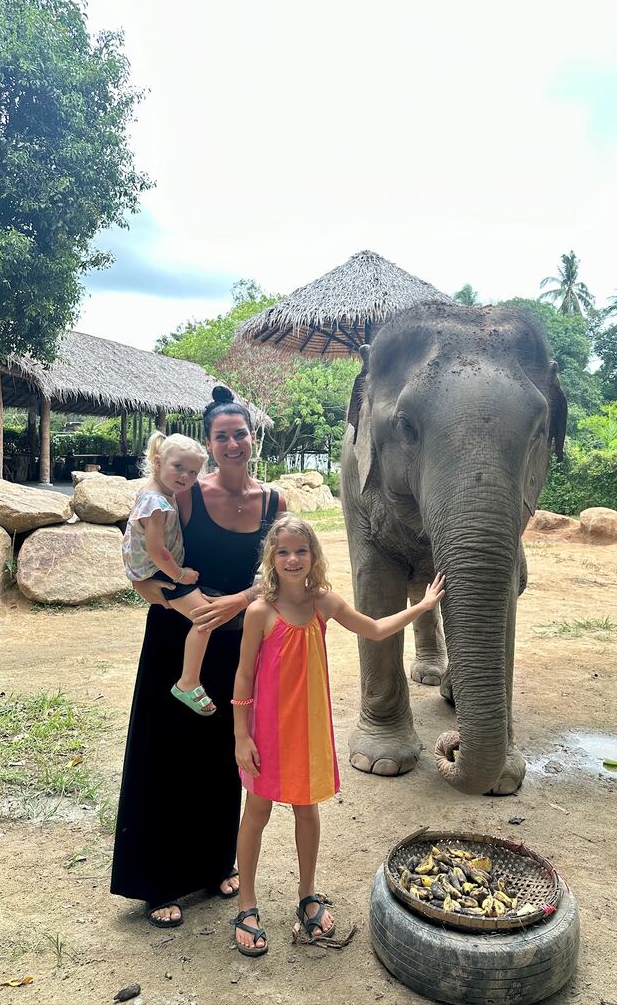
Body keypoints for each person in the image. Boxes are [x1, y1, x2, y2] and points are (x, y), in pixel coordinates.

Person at [111, 386, 286, 928]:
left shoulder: (275, 502)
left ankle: (216, 865)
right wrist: (178, 603)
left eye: (240, 433)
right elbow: (144, 561)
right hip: (178, 641)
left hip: (239, 645)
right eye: (222, 436)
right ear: (210, 444)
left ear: (252, 439)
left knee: (224, 759)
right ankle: (159, 881)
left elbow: (281, 574)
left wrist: (233, 602)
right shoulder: (184, 494)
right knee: (167, 755)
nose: (232, 443)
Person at [230, 514, 445, 956]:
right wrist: (240, 736)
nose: (293, 559)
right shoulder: (259, 612)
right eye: (284, 551)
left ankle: (307, 894)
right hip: (266, 733)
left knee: (307, 811)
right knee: (257, 811)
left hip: (309, 731)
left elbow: (376, 629)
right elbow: (243, 676)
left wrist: (422, 608)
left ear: (313, 556)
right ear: (272, 556)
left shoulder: (323, 603)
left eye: (301, 551)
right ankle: (247, 903)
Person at [122, 431, 217, 715]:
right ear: (158, 460)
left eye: (192, 471)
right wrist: (179, 574)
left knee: (207, 610)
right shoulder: (157, 503)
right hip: (160, 572)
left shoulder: (157, 492)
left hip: (154, 570)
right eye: (178, 467)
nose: (185, 476)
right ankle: (188, 681)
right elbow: (156, 549)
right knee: (206, 618)